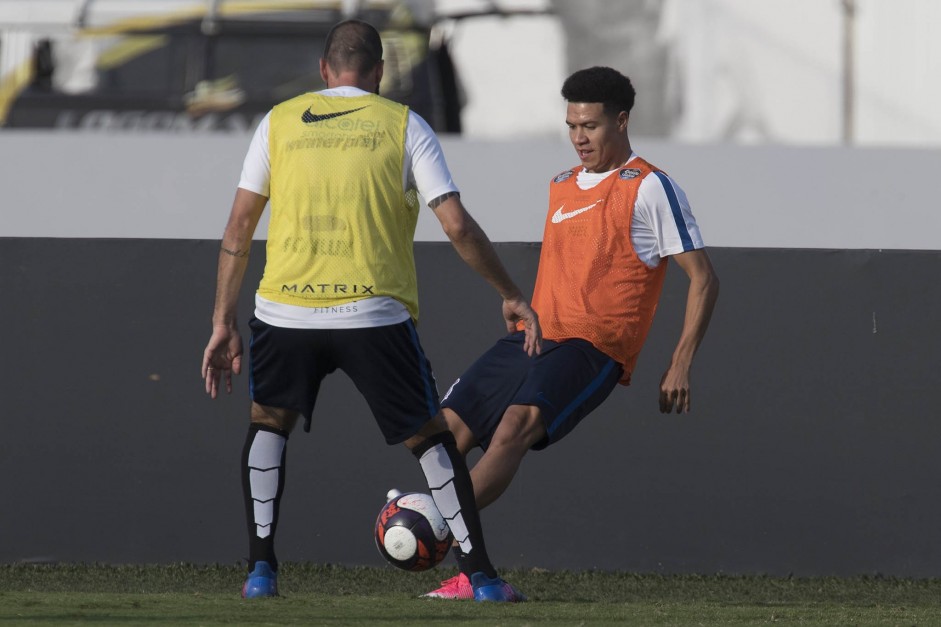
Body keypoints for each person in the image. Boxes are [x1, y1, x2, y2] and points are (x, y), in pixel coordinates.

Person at [201, 19, 539, 602]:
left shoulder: (278, 121)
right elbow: (455, 224)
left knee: (267, 426)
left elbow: (238, 227)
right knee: (432, 441)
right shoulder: (405, 124)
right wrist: (509, 291)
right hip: (373, 317)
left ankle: (260, 573)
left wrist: (221, 322)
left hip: (285, 312)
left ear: (325, 70)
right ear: (379, 73)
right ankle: (482, 578)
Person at [423, 66, 720, 599]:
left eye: (590, 125)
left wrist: (680, 362)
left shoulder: (651, 186)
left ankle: (433, 527)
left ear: (622, 121)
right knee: (444, 429)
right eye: (571, 126)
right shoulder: (560, 184)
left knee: (517, 424)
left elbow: (703, 278)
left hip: (594, 346)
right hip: (536, 335)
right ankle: (464, 560)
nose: (579, 137)